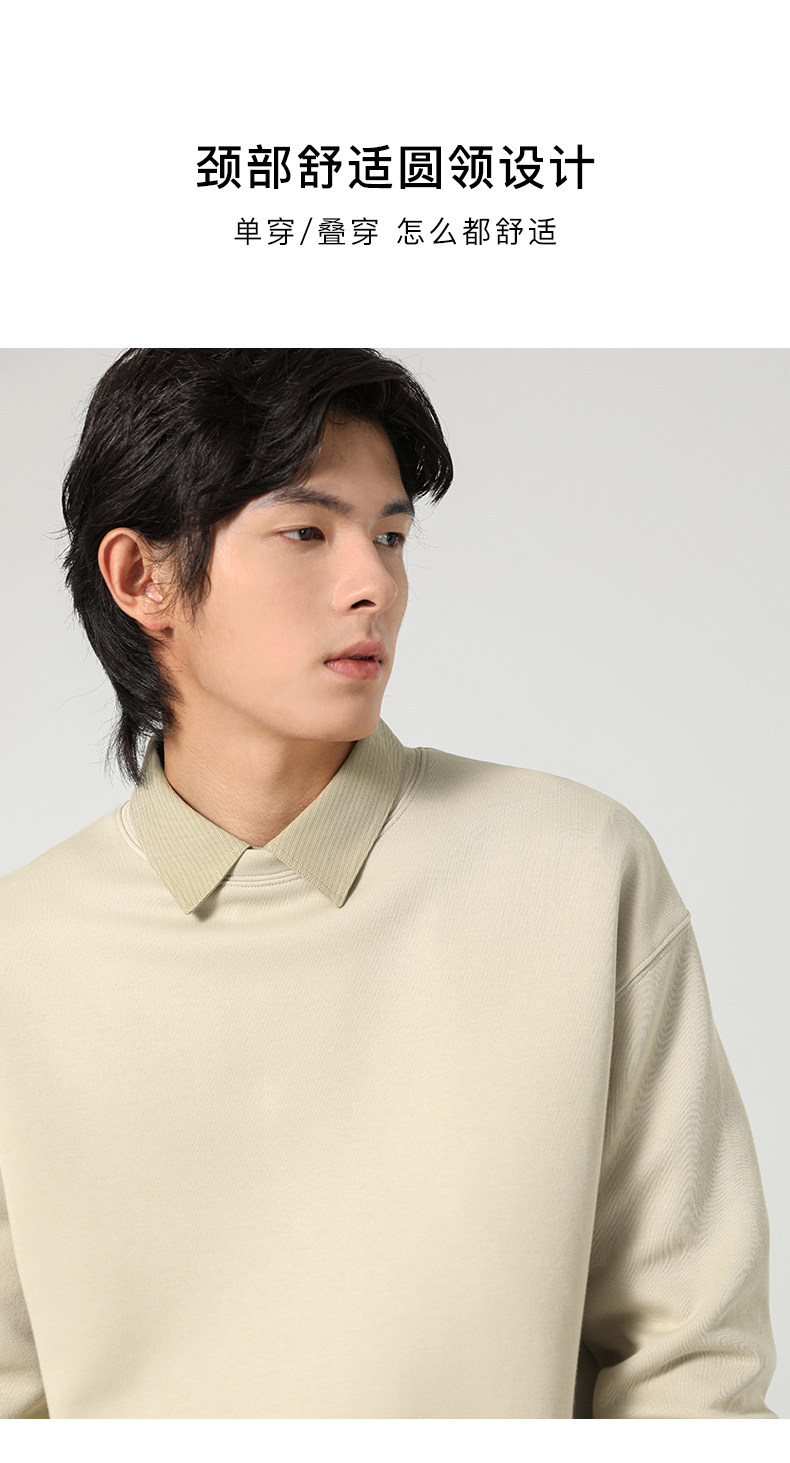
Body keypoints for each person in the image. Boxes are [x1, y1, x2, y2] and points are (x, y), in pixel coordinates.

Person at [0, 349, 776, 1420]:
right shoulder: (23, 954)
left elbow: (695, 1355)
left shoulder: (576, 874)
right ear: (142, 578)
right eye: (307, 532)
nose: (373, 584)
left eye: (392, 536)